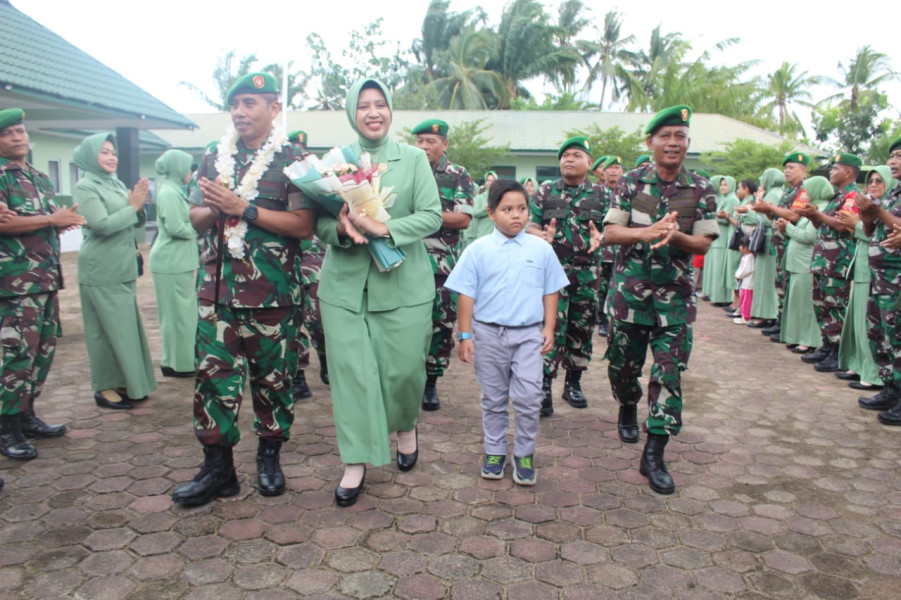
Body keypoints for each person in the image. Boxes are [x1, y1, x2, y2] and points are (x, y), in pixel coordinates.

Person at [170, 72, 314, 506]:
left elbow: (304, 227)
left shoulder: (296, 159)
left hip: (273, 294)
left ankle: (269, 458)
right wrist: (213, 208)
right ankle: (219, 471)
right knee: (212, 379)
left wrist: (244, 208)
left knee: (274, 381)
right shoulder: (215, 156)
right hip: (217, 292)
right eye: (235, 104)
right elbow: (193, 219)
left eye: (250, 103)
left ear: (274, 109)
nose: (240, 112)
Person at [312, 78, 441, 507]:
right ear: (353, 112)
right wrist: (342, 230)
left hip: (404, 282)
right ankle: (356, 461)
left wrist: (387, 228)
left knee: (403, 372)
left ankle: (405, 424)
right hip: (345, 287)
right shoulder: (335, 163)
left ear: (389, 110)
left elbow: (432, 217)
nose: (373, 112)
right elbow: (320, 224)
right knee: (352, 378)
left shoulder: (414, 159)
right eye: (364, 105)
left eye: (380, 104)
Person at [596, 105, 718, 495]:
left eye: (680, 136)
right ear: (651, 142)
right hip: (630, 296)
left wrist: (675, 237)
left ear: (687, 144)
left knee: (668, 374)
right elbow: (611, 233)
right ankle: (628, 403)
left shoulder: (701, 188)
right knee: (622, 368)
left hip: (675, 302)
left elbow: (704, 242)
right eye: (665, 135)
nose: (672, 143)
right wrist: (646, 232)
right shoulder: (630, 182)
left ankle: (655, 453)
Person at [446, 179, 568, 485]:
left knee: (529, 396)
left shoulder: (540, 249)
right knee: (494, 398)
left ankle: (524, 452)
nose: (516, 216)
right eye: (507, 209)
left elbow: (551, 290)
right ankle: (495, 450)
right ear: (491, 213)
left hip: (528, 335)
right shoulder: (478, 250)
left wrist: (549, 327)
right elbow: (466, 294)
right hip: (488, 335)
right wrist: (465, 335)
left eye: (522, 209)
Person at [0, 108, 83, 460]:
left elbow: (31, 221)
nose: (18, 137)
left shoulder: (36, 176)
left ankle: (27, 415)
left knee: (42, 350)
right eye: (9, 133)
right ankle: (7, 429)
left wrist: (56, 224)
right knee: (15, 354)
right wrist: (49, 219)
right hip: (16, 282)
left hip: (46, 279)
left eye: (21, 131)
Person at [73, 132, 156, 411]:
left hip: (121, 267)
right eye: (104, 152)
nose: (111, 158)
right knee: (104, 332)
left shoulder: (115, 183)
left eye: (113, 152)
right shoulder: (85, 187)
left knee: (124, 330)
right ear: (89, 156)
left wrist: (140, 205)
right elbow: (102, 225)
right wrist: (132, 206)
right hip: (101, 268)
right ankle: (105, 387)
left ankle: (127, 383)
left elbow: (131, 221)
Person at [527, 136, 605, 415]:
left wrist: (604, 237)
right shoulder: (545, 192)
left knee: (581, 328)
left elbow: (613, 230)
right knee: (550, 327)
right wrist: (541, 235)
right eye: (564, 156)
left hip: (587, 274)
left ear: (589, 162)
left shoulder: (602, 195)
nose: (568, 160)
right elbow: (529, 225)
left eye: (576, 155)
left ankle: (573, 383)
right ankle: (544, 386)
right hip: (551, 274)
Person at [413, 119, 475, 411]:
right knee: (408, 321)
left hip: (442, 263)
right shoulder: (407, 169)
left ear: (444, 144)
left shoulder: (458, 174)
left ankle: (431, 382)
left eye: (431, 141)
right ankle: (406, 379)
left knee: (440, 322)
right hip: (406, 259)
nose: (424, 146)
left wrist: (421, 216)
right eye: (420, 141)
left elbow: (462, 218)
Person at [797, 153, 860, 373]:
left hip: (838, 262)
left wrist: (818, 214)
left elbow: (843, 226)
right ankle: (827, 345)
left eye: (835, 169)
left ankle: (837, 350)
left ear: (849, 173)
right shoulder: (837, 197)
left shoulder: (853, 195)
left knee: (834, 306)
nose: (831, 172)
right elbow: (821, 226)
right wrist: (813, 215)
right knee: (821, 304)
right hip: (824, 260)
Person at [857, 141, 901, 422]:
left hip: (896, 276)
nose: (894, 160)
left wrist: (878, 212)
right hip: (880, 274)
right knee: (880, 333)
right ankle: (891, 388)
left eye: (900, 156)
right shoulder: (893, 192)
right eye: (893, 155)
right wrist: (867, 213)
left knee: (897, 335)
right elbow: (872, 227)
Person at [834, 168, 889, 390]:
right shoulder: (872, 207)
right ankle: (858, 364)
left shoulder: (888, 211)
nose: (873, 185)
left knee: (870, 325)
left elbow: (879, 236)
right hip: (863, 267)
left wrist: (856, 223)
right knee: (857, 322)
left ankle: (872, 373)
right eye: (871, 181)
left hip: (878, 272)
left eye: (879, 181)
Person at [286, 129, 329, 400]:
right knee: (293, 320)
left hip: (315, 259)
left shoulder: (317, 179)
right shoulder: (278, 178)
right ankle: (299, 375)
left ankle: (325, 356)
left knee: (318, 319)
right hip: (287, 259)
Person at [149, 149, 198, 378]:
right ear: (178, 168)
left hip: (177, 261)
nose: (190, 172)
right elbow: (176, 228)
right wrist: (199, 228)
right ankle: (179, 364)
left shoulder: (174, 190)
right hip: (171, 261)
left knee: (180, 315)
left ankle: (175, 361)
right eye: (187, 167)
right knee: (177, 316)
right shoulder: (169, 192)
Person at [765, 178, 829, 354]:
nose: (804, 195)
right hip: (797, 263)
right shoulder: (811, 209)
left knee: (806, 306)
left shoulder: (820, 209)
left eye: (808, 191)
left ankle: (808, 340)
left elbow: (810, 237)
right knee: (796, 304)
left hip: (805, 264)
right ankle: (798, 337)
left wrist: (788, 228)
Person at [763, 152, 810, 341]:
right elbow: (775, 216)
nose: (787, 171)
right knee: (780, 285)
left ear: (803, 170)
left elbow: (794, 216)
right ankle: (780, 320)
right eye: (786, 168)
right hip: (781, 244)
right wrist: (768, 210)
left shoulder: (804, 191)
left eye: (791, 167)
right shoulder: (788, 191)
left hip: (793, 245)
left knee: (787, 286)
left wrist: (770, 208)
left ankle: (784, 324)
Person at [704, 176, 740, 305]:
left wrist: (718, 217)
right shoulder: (724, 198)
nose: (723, 187)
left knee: (721, 269)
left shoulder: (732, 199)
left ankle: (723, 298)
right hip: (718, 236)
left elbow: (727, 219)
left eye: (725, 184)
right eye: (721, 185)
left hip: (724, 237)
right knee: (716, 269)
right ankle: (717, 296)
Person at [463, 170, 497, 247]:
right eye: (488, 180)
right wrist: (487, 209)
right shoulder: (480, 198)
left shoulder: (501, 197)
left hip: (497, 232)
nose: (490, 182)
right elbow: (475, 213)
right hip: (484, 232)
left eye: (492, 180)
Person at [733, 237, 755, 324]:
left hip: (748, 283)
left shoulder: (750, 257)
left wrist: (738, 275)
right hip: (745, 282)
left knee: (747, 300)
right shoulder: (746, 256)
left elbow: (746, 270)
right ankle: (742, 315)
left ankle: (746, 317)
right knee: (743, 299)